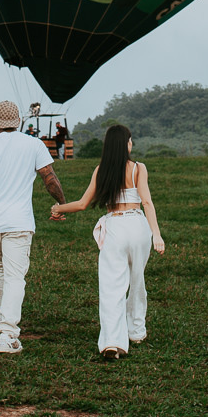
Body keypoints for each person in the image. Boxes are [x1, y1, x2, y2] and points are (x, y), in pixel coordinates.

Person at [0, 100, 67, 355]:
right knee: (15, 276)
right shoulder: (34, 145)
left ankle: (4, 322)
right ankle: (8, 334)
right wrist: (62, 204)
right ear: (18, 121)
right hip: (18, 222)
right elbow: (49, 178)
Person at [51, 124, 164, 361]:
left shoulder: (101, 170)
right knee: (137, 281)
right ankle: (136, 331)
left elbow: (82, 204)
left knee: (112, 286)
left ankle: (113, 342)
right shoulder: (138, 169)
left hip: (114, 226)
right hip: (137, 226)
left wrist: (58, 208)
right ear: (127, 144)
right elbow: (148, 203)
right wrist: (156, 234)